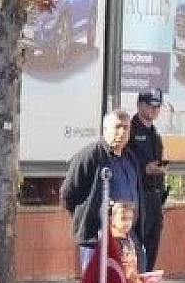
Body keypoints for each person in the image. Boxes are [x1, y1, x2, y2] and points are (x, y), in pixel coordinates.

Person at [60, 109, 141, 270]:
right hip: (96, 240)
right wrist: (87, 217)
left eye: (126, 127)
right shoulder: (91, 155)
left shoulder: (130, 158)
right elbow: (68, 193)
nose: (122, 132)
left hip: (125, 239)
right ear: (105, 130)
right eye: (118, 127)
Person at [127, 89, 169, 283]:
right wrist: (146, 169)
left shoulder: (154, 134)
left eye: (157, 107)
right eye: (151, 106)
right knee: (135, 255)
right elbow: (127, 165)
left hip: (154, 200)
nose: (154, 110)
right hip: (137, 200)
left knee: (151, 254)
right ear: (140, 105)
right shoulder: (131, 131)